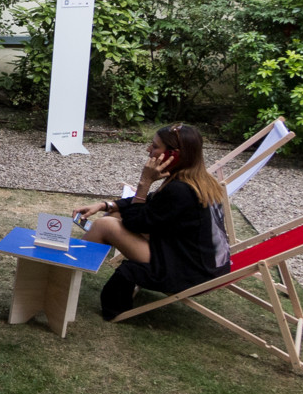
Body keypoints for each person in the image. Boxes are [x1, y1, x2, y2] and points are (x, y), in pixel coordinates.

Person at [73, 124, 235, 321]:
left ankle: (65, 275)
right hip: (204, 263)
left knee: (103, 225)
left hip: (189, 271)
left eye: (155, 146)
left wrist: (144, 182)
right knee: (114, 216)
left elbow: (136, 222)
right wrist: (104, 205)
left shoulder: (181, 190)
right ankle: (69, 272)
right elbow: (151, 203)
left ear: (174, 154)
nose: (148, 149)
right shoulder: (200, 180)